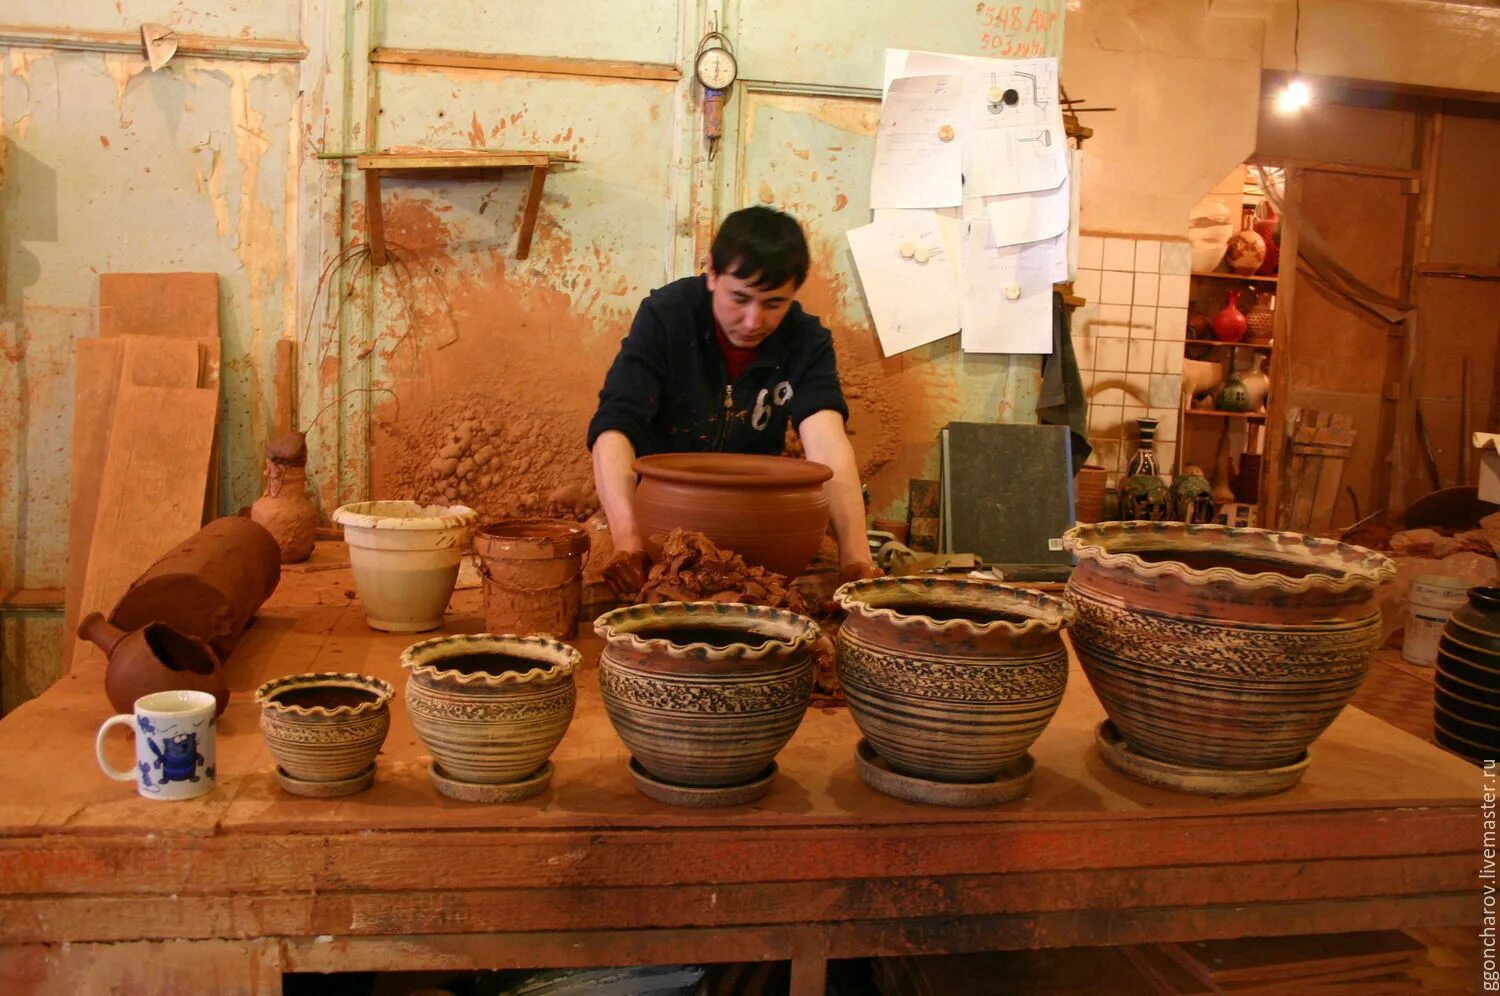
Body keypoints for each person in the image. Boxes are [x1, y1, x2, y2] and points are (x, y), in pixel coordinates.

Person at [587, 206, 881, 598]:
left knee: (807, 597)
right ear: (712, 273)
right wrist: (628, 542)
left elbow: (828, 444)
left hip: (756, 520)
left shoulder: (805, 340)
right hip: (658, 521)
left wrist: (855, 560)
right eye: (739, 299)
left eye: (774, 303)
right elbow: (616, 426)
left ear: (795, 291)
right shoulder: (667, 317)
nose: (752, 321)